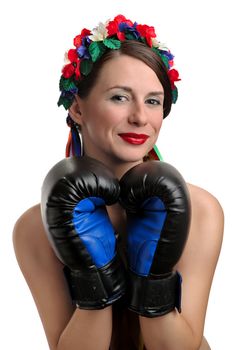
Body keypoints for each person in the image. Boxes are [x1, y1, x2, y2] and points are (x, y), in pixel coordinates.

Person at [13, 14, 224, 350]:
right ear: (78, 109)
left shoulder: (200, 209)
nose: (140, 116)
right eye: (119, 97)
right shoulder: (34, 228)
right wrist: (92, 276)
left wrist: (154, 278)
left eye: (153, 100)